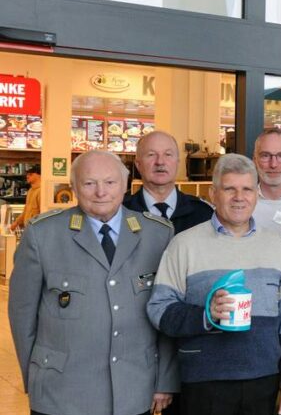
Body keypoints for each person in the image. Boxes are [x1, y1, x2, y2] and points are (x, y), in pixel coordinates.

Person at [9, 150, 178, 415]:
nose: (101, 192)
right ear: (74, 187)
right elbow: (22, 314)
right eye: (89, 183)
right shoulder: (43, 235)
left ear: (125, 186)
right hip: (61, 393)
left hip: (134, 389)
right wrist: (35, 375)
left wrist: (165, 380)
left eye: (110, 182)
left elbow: (167, 314)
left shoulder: (159, 234)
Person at [147, 154, 281, 415]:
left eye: (246, 189)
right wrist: (206, 315)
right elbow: (158, 310)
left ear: (256, 194)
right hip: (203, 381)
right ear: (212, 194)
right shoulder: (184, 244)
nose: (238, 197)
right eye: (229, 189)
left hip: (263, 379)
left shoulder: (277, 245)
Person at [124, 131, 213, 234]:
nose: (160, 162)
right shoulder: (121, 213)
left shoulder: (203, 214)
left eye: (168, 154)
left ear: (177, 163)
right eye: (151, 154)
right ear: (138, 164)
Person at [9, 164, 41, 230]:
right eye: (27, 174)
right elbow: (26, 211)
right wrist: (16, 223)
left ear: (39, 175)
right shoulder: (30, 191)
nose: (27, 176)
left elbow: (43, 214)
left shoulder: (41, 191)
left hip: (36, 229)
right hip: (29, 229)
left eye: (31, 174)